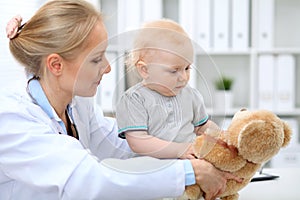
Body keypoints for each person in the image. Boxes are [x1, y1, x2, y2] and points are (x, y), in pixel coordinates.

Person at [0, 1, 241, 200]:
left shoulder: (77, 106)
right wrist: (190, 172)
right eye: (96, 59)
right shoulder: (12, 119)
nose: (107, 68)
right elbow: (88, 180)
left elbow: (123, 144)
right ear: (56, 65)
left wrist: (191, 148)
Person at [116, 19, 221, 159]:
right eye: (174, 71)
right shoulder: (134, 99)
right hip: (151, 173)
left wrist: (222, 137)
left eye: (187, 68)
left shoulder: (191, 95)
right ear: (145, 70)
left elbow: (201, 127)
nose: (184, 77)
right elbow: (138, 142)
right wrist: (180, 150)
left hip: (190, 167)